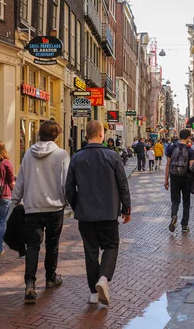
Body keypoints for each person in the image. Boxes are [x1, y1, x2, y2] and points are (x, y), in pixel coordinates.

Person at [66, 120, 131, 306]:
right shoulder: (112, 156)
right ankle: (103, 278)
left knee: (91, 251)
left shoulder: (76, 158)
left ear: (86, 135)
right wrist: (126, 208)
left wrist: (78, 205)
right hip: (109, 213)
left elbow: (69, 187)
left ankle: (93, 293)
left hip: (86, 215)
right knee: (111, 246)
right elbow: (122, 184)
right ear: (102, 134)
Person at [11, 120, 70, 304]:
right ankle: (51, 279)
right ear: (56, 135)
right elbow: (66, 182)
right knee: (52, 245)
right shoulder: (61, 154)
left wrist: (14, 202)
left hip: (32, 207)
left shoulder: (29, 154)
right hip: (54, 207)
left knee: (33, 246)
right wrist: (69, 202)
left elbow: (21, 180)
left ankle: (30, 283)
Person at [164, 129, 194, 233]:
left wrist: (166, 180)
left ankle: (174, 215)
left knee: (175, 200)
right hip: (186, 178)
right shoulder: (190, 150)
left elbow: (168, 165)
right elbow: (191, 167)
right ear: (188, 138)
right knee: (186, 202)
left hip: (174, 177)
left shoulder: (171, 148)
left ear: (179, 136)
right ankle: (185, 225)